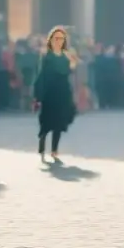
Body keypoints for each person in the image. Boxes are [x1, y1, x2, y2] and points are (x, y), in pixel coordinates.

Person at [33, 26, 77, 163]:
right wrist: (38, 95)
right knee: (47, 120)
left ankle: (54, 149)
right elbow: (42, 75)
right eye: (56, 38)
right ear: (51, 40)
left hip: (63, 92)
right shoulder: (47, 56)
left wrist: (73, 64)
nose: (58, 41)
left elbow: (69, 72)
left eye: (61, 38)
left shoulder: (67, 56)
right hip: (49, 92)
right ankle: (42, 142)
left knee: (60, 120)